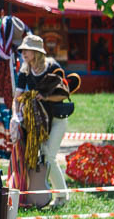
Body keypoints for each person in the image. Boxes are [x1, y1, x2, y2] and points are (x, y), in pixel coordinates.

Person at [16, 34, 72, 208]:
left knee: (49, 156)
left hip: (57, 119)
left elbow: (64, 93)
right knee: (45, 157)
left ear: (37, 52)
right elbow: (17, 97)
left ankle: (62, 196)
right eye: (23, 50)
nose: (24, 53)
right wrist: (15, 116)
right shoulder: (24, 71)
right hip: (39, 122)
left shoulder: (52, 67)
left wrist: (45, 97)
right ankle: (57, 195)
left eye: (27, 50)